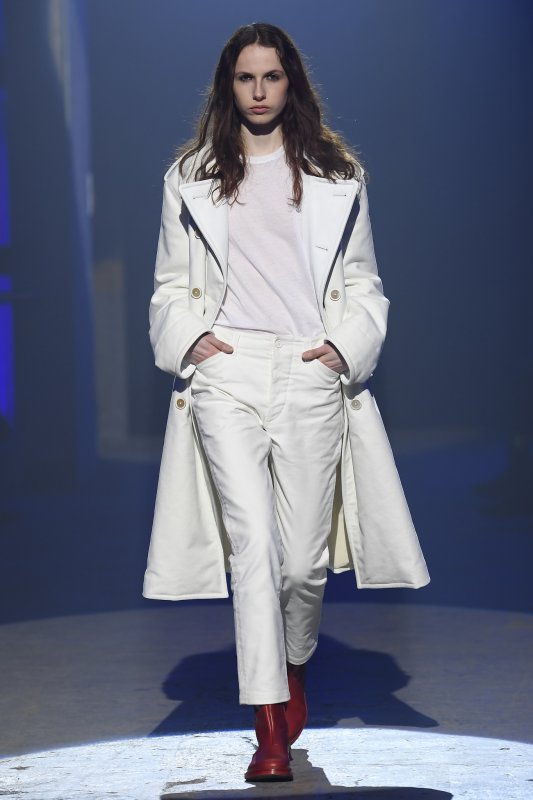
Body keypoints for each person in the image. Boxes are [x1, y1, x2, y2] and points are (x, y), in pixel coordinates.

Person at [143, 22, 430, 783]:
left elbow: (363, 282)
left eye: (271, 76)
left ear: (291, 82)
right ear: (227, 87)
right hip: (228, 371)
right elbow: (170, 284)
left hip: (308, 368)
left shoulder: (337, 175)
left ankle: (292, 665)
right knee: (253, 546)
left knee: (302, 562)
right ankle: (268, 725)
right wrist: (193, 341)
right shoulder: (190, 176)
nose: (259, 91)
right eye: (246, 78)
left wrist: (343, 346)